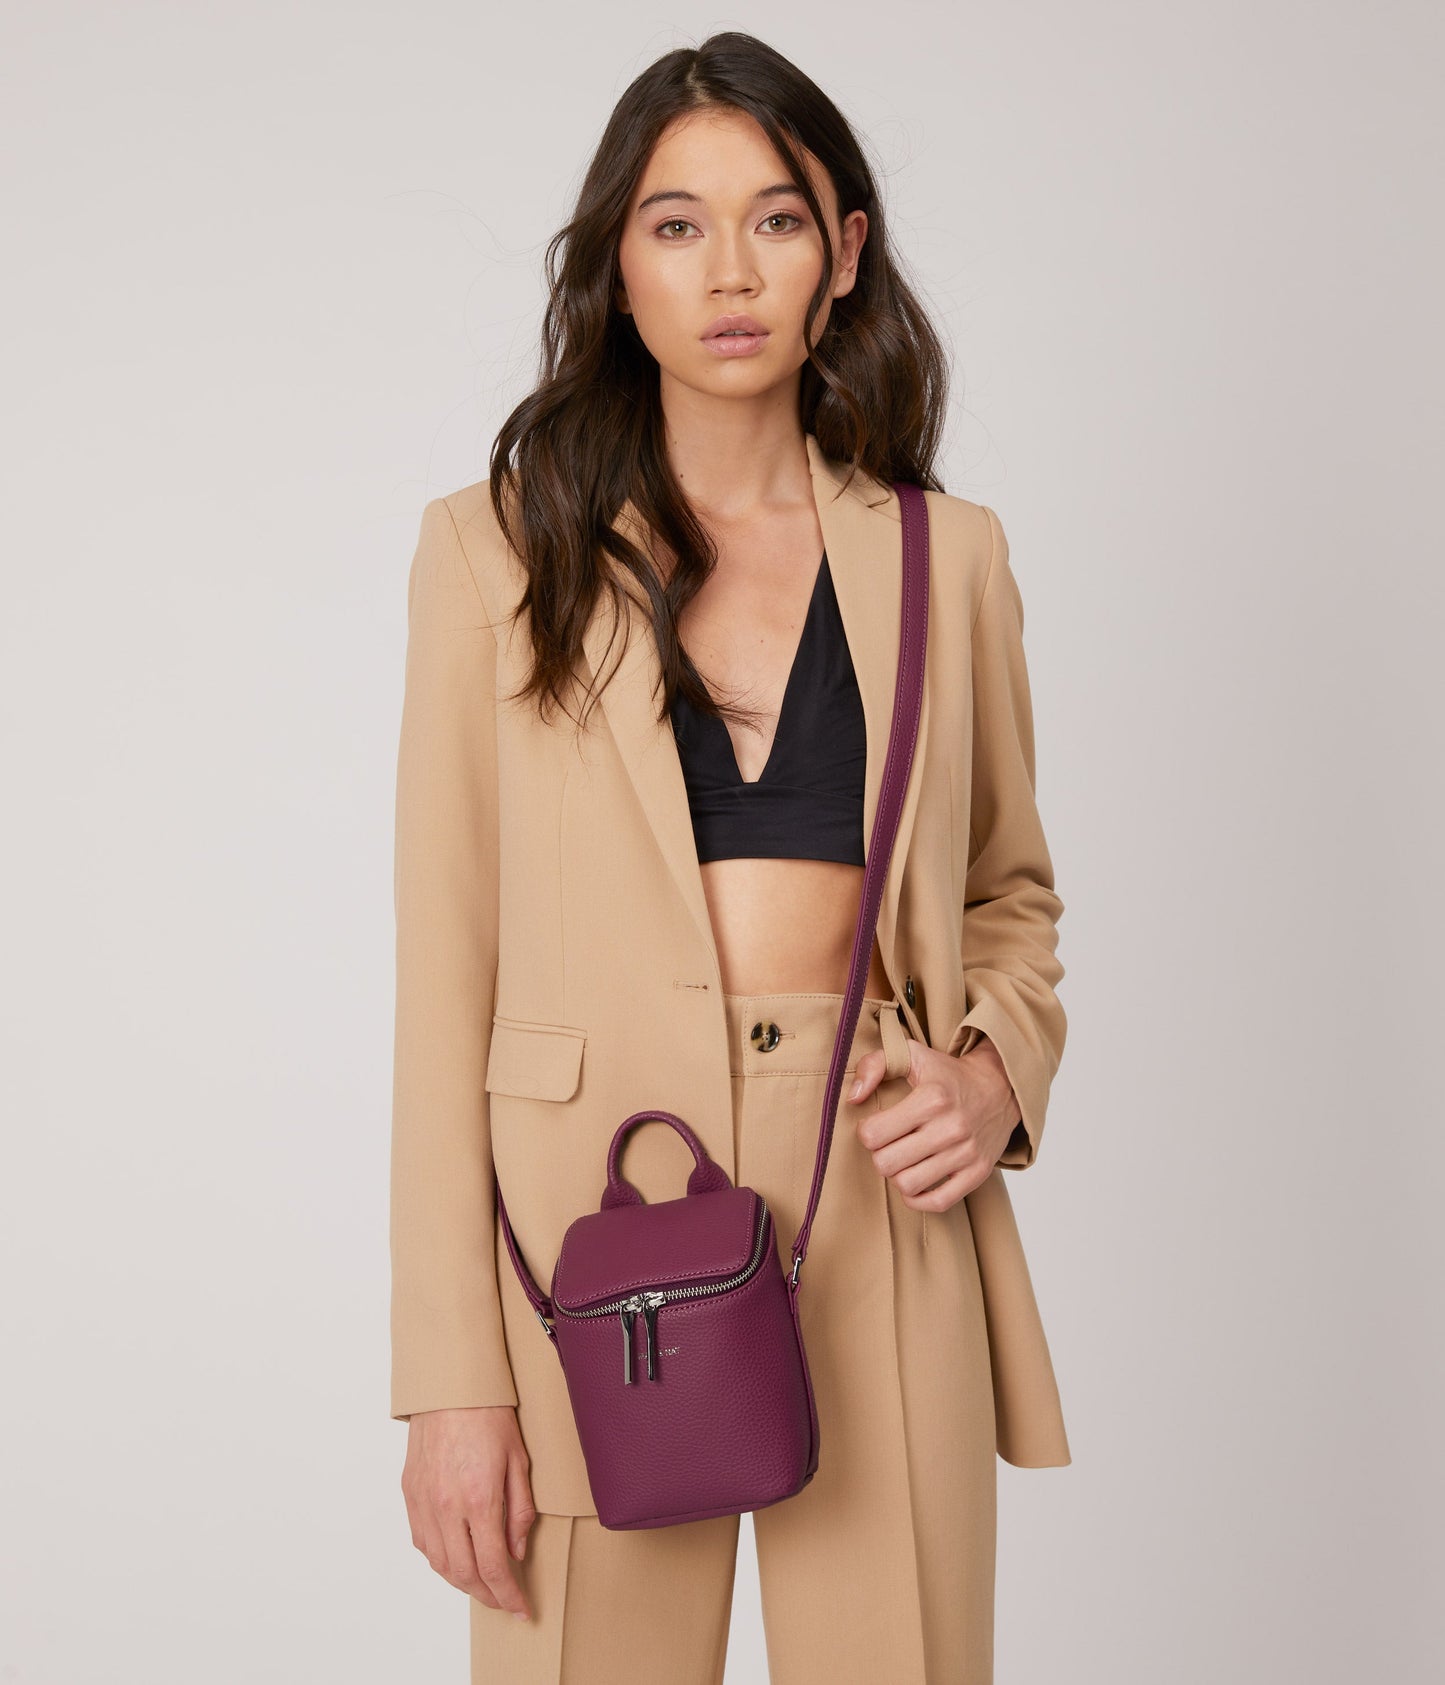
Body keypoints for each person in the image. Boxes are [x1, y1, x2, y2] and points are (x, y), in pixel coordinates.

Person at [390, 30, 1070, 1685]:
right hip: (582, 1221)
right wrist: (451, 1377)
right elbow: (443, 972)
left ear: (843, 252)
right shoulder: (492, 552)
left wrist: (990, 1068)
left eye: (775, 219)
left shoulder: (949, 559)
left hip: (877, 1180)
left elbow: (1007, 893)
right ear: (617, 265)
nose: (729, 270)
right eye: (675, 224)